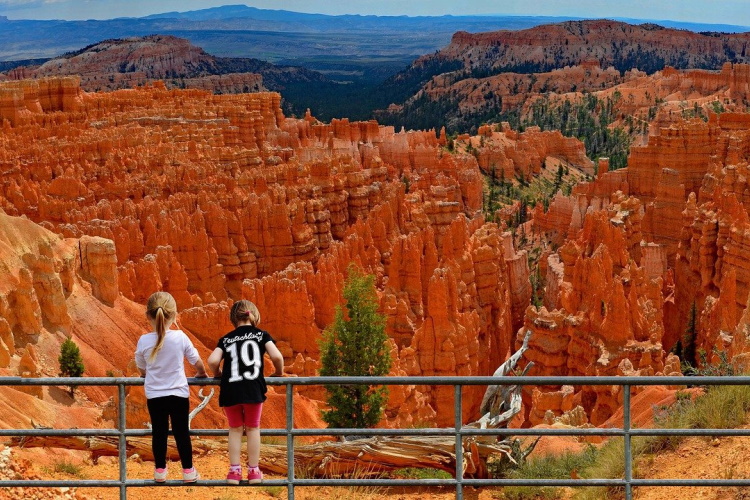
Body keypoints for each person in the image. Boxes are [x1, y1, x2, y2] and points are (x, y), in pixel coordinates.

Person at [207, 300, 285, 485]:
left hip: (230, 389)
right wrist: (279, 373)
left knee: (234, 429)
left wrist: (218, 374)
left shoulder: (226, 339)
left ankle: (234, 472)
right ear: (253, 316)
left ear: (233, 319)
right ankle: (254, 471)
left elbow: (212, 361)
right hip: (253, 388)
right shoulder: (261, 335)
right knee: (253, 428)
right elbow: (277, 357)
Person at [135, 291, 207, 483]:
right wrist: (201, 373)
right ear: (174, 315)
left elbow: (140, 365)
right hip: (178, 394)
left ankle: (160, 472)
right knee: (182, 433)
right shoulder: (180, 337)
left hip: (155, 396)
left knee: (159, 433)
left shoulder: (144, 340)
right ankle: (188, 472)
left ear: (148, 316)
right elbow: (196, 361)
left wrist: (144, 375)